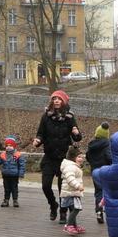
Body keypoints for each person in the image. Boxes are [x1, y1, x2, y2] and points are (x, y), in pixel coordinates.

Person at [33, 90, 82, 221]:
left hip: (64, 159)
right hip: (49, 157)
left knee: (62, 188)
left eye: (59, 99)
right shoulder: (46, 116)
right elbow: (40, 134)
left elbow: (77, 138)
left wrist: (76, 132)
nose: (56, 101)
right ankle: (53, 205)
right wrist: (37, 140)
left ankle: (63, 212)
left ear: (63, 102)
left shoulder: (69, 117)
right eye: (54, 99)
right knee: (45, 186)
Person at [0, 135, 26, 207]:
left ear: (14, 146)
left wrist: (21, 173)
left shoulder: (17, 155)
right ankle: (6, 200)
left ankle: (15, 200)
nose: (8, 147)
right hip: (5, 174)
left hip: (14, 175)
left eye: (10, 145)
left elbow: (22, 165)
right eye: (7, 146)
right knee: (6, 188)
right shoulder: (3, 155)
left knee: (14, 188)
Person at [86, 122, 112, 224]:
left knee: (98, 192)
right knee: (109, 192)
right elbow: (109, 157)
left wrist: (93, 164)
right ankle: (110, 213)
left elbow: (88, 156)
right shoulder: (107, 144)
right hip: (106, 171)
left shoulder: (91, 145)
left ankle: (99, 211)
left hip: (95, 171)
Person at [59, 145, 86, 236]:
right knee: (76, 208)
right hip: (70, 192)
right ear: (72, 158)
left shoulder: (74, 166)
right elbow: (70, 179)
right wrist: (78, 186)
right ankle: (69, 225)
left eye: (81, 157)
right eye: (79, 157)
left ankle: (74, 226)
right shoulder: (70, 167)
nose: (81, 159)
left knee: (73, 209)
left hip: (73, 192)